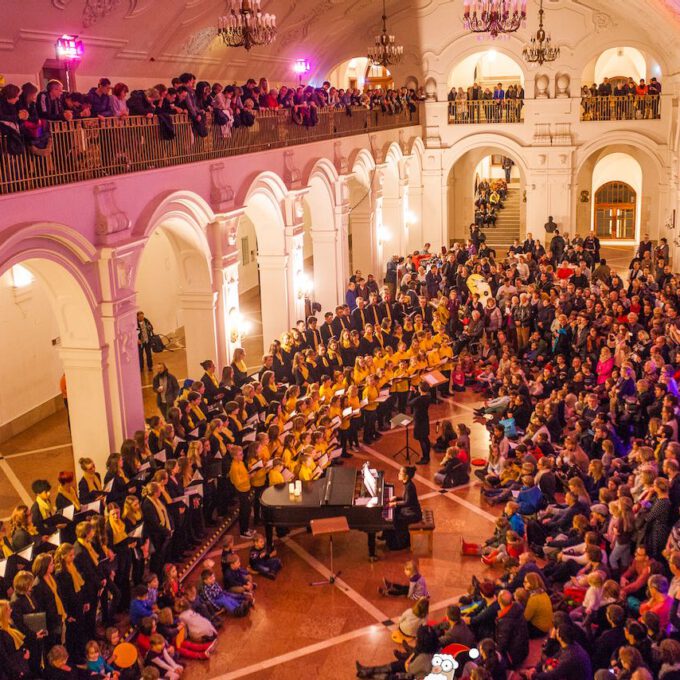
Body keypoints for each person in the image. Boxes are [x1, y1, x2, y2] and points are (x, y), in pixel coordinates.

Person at [381, 466, 422, 551]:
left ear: (406, 476)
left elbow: (407, 502)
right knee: (394, 513)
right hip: (409, 509)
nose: (398, 474)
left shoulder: (410, 486)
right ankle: (387, 536)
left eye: (400, 473)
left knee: (397, 518)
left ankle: (401, 544)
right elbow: (406, 499)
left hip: (413, 513)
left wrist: (394, 503)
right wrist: (396, 498)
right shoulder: (407, 484)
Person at [408, 382, 432, 465]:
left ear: (420, 389)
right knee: (425, 438)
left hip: (418, 420)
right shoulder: (428, 396)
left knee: (422, 440)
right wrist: (416, 392)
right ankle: (427, 456)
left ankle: (425, 458)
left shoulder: (419, 400)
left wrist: (411, 392)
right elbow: (421, 395)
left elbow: (409, 403)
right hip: (425, 418)